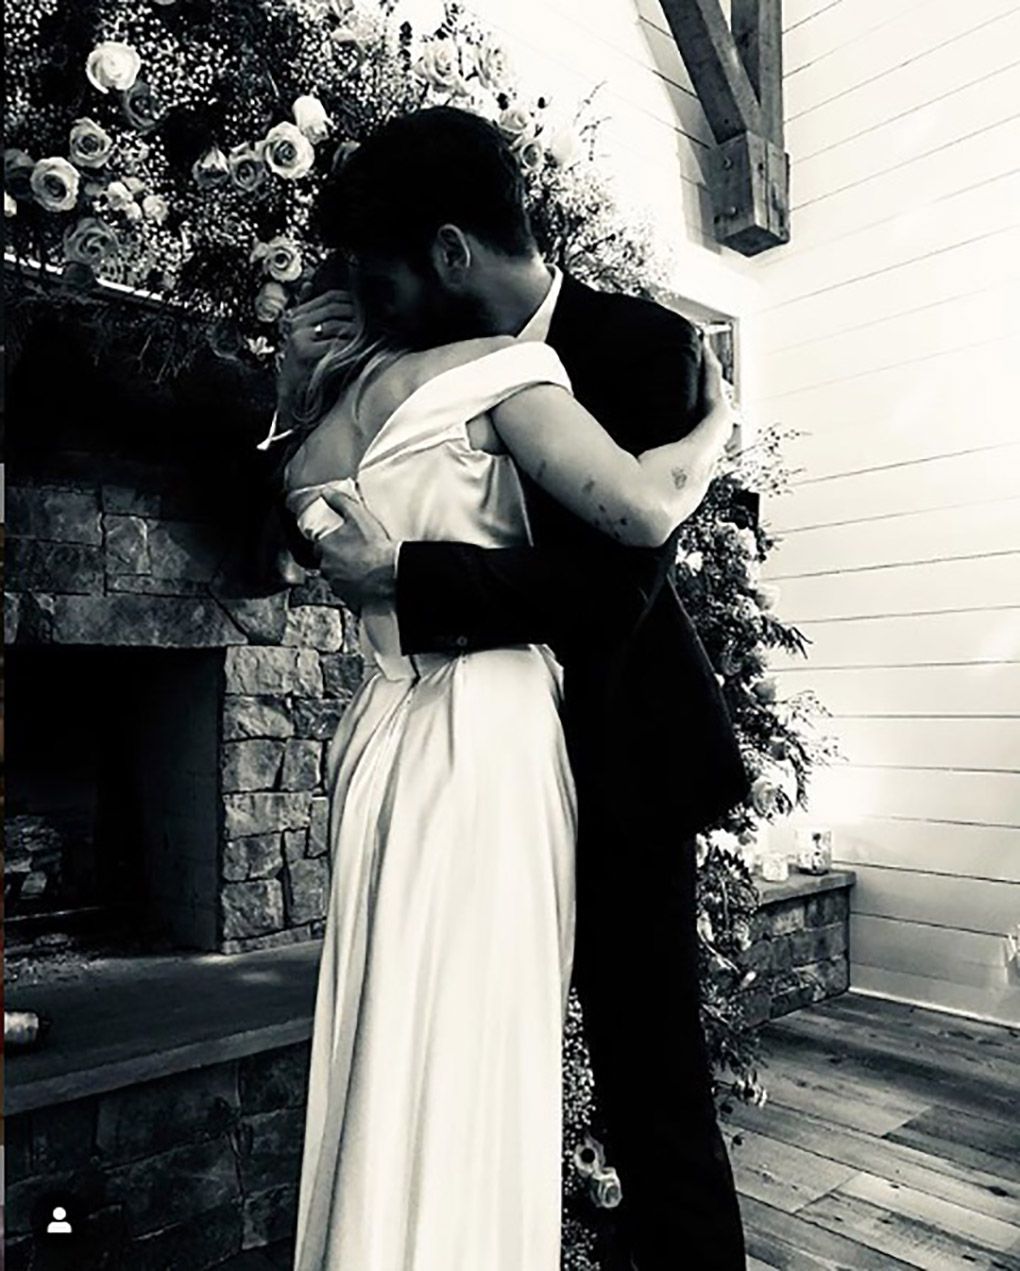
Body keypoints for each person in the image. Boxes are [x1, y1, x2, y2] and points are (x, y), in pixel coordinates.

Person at [272, 107, 749, 1270]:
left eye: (378, 271)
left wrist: (411, 575)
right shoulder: (410, 373)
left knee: (652, 1083)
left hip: (622, 766)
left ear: (449, 252)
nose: (367, 298)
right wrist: (294, 394)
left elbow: (615, 592)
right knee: (451, 1047)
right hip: (468, 770)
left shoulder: (641, 345)